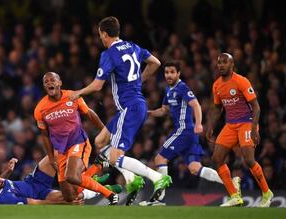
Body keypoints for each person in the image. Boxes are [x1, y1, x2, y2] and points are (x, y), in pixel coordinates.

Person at [70, 16, 171, 205]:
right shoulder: (132, 46)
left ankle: (156, 178)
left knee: (115, 157)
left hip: (129, 108)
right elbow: (156, 62)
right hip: (133, 106)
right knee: (100, 141)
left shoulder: (109, 54)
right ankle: (132, 179)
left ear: (105, 34)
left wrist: (79, 93)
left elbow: (98, 86)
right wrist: (139, 81)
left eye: (100, 35)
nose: (100, 38)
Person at [145, 60, 240, 205]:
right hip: (187, 133)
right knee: (195, 168)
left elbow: (196, 104)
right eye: (166, 72)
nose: (169, 75)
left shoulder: (182, 88)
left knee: (160, 159)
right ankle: (231, 183)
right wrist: (149, 113)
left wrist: (198, 124)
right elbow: (164, 110)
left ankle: (159, 199)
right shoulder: (168, 90)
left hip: (184, 130)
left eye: (172, 72)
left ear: (178, 73)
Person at [34, 72, 118, 205]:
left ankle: (110, 194)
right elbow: (44, 135)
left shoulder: (72, 96)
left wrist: (105, 132)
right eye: (46, 82)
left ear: (59, 82)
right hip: (60, 150)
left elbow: (89, 114)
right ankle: (97, 168)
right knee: (70, 197)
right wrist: (51, 157)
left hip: (78, 141)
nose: (49, 83)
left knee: (72, 176)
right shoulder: (40, 109)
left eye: (52, 80)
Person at [206, 53, 273, 207]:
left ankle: (266, 192)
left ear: (232, 65)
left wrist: (254, 127)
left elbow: (256, 107)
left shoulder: (241, 81)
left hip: (246, 123)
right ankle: (234, 195)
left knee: (249, 159)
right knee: (216, 159)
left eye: (224, 62)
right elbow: (217, 108)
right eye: (219, 63)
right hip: (230, 125)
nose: (221, 65)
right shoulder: (216, 85)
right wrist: (210, 127)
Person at [0, 157, 83, 204]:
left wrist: (9, 170)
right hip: (40, 195)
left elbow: (0, 180)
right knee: (71, 197)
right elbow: (35, 203)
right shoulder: (5, 199)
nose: (1, 179)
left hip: (34, 180)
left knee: (55, 155)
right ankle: (92, 189)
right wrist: (64, 203)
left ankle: (82, 171)